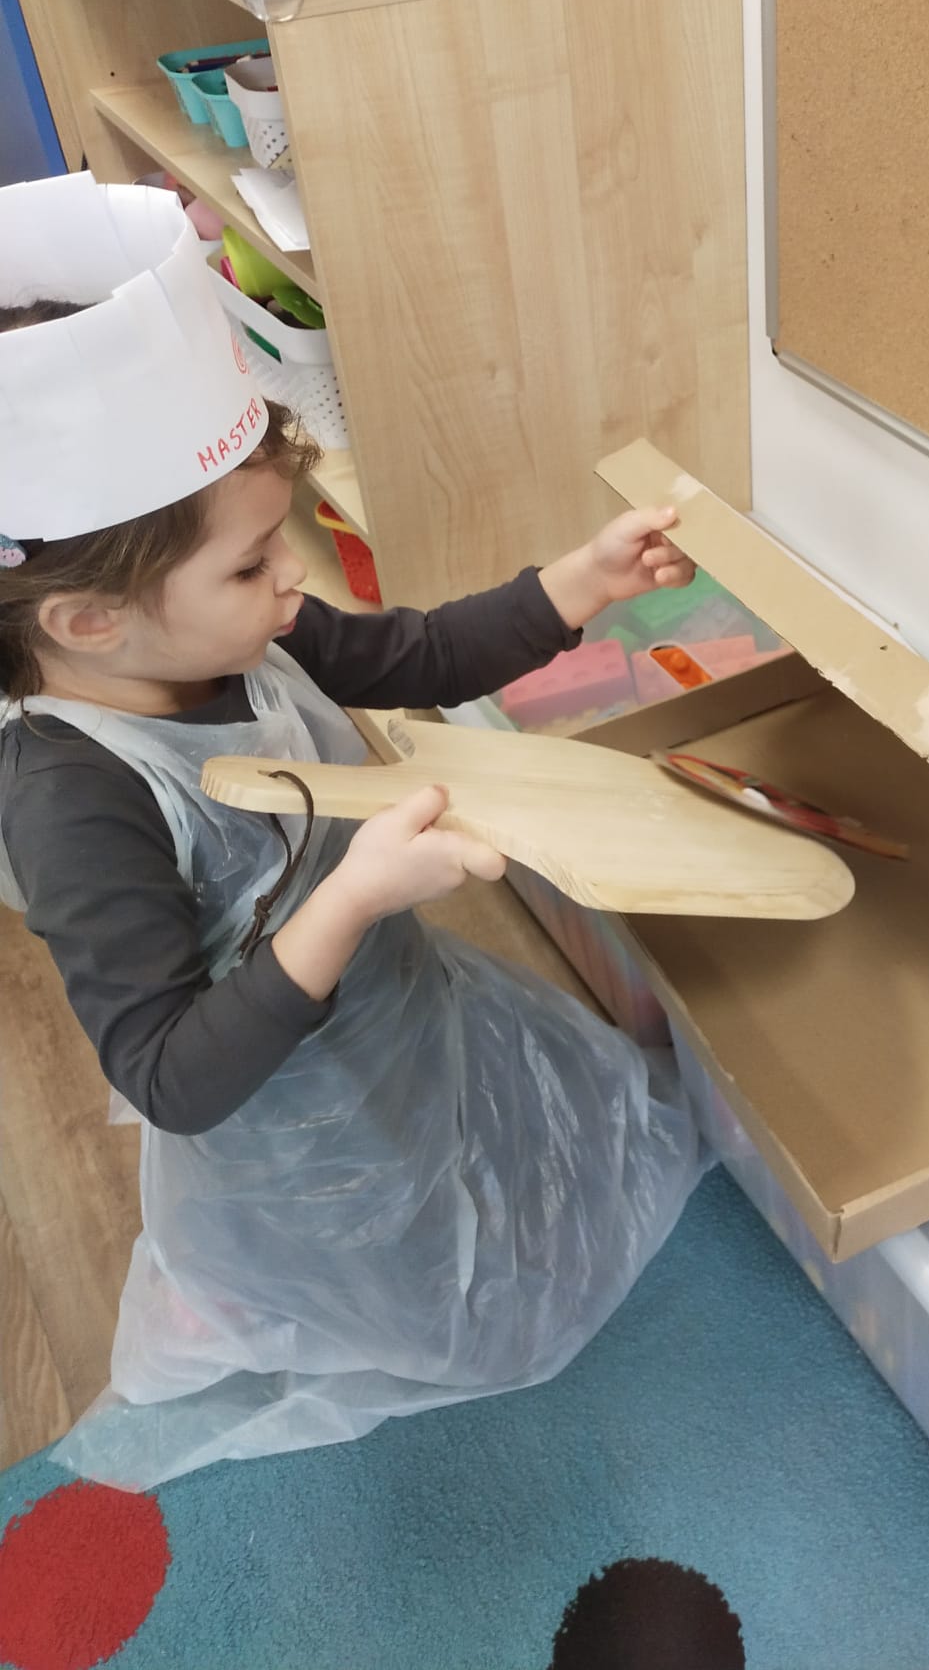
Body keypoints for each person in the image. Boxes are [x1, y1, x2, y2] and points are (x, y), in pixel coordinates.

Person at [0, 173, 702, 1487]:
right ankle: (252, 1291)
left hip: (404, 1016)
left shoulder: (239, 631)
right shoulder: (71, 800)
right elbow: (171, 1077)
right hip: (291, 1119)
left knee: (479, 1149)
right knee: (414, 1261)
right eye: (251, 563)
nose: (293, 581)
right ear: (89, 622)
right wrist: (354, 896)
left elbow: (414, 652)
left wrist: (579, 582)